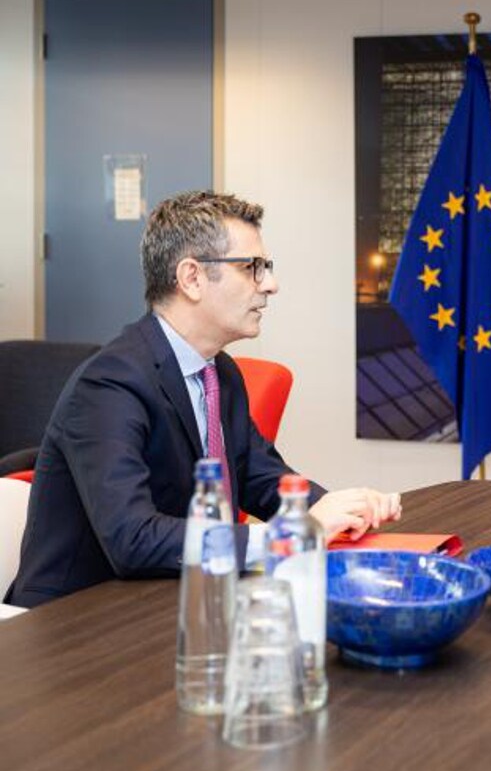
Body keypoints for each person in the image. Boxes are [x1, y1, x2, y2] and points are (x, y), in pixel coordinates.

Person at [7, 191, 402, 608]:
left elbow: (258, 477)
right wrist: (292, 535)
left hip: (169, 601)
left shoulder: (220, 371)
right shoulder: (110, 383)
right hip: (71, 622)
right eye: (253, 268)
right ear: (192, 278)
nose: (271, 284)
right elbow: (132, 539)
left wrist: (341, 512)